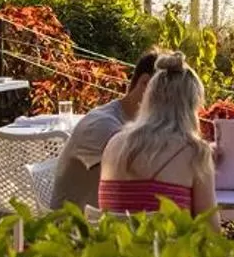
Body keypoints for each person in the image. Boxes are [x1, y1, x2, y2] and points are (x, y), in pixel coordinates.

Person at [98, 52, 216, 217]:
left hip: (115, 242)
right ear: (191, 107)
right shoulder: (195, 153)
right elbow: (210, 231)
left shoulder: (113, 144)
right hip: (165, 243)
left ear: (149, 98)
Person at [50, 50, 159, 209]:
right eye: (170, 93)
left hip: (105, 222)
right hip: (73, 228)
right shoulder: (102, 125)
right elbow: (142, 180)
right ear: (145, 84)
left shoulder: (141, 125)